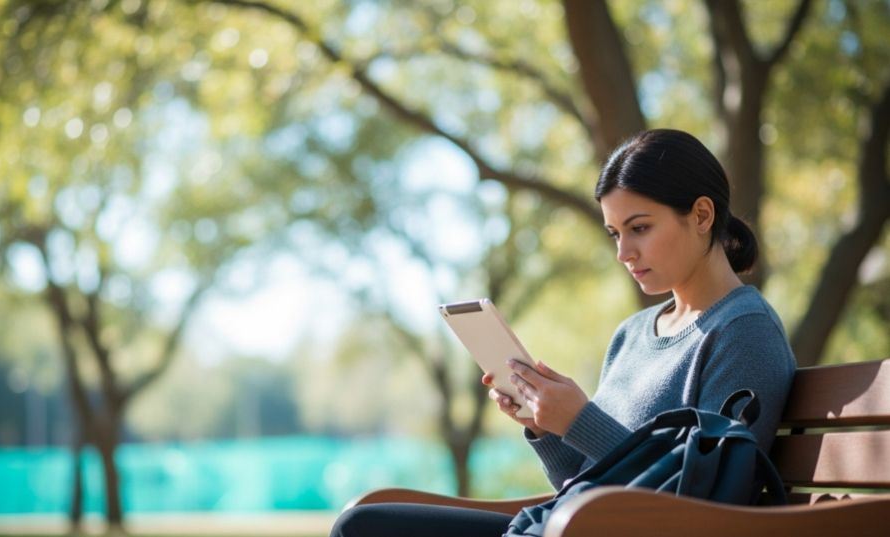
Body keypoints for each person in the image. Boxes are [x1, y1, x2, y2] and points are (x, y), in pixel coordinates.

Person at [329, 128, 796, 537]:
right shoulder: (632, 334)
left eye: (639, 228)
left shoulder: (742, 332)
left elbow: (706, 504)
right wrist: (547, 428)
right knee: (363, 525)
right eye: (615, 233)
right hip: (572, 525)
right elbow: (590, 483)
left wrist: (579, 422)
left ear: (701, 216)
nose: (624, 252)